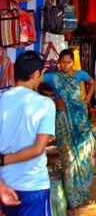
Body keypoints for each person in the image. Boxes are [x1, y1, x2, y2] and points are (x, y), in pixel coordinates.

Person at [0, 51, 56, 216]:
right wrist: (3, 160)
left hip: (4, 183)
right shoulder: (45, 104)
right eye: (42, 74)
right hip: (33, 185)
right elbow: (38, 149)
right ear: (35, 74)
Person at [41, 49, 96, 212]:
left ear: (73, 62)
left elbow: (92, 82)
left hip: (80, 119)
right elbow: (35, 81)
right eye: (62, 62)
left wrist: (87, 98)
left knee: (84, 156)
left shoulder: (80, 74)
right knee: (68, 159)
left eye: (68, 62)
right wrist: (53, 99)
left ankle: (83, 194)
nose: (65, 65)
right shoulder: (54, 77)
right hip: (63, 120)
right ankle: (73, 200)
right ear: (58, 62)